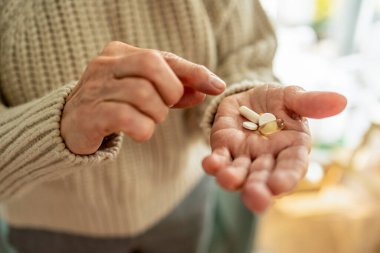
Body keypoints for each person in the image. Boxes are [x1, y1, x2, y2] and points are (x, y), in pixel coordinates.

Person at [0, 0, 346, 252]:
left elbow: (246, 51)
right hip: (53, 228)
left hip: (184, 200)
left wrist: (239, 91)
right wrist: (59, 123)